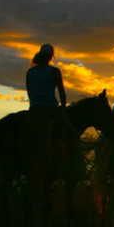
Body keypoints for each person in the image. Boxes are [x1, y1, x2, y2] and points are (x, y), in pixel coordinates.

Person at [26, 43, 87, 180]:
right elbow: (61, 91)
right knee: (73, 134)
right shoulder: (53, 71)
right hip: (50, 108)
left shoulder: (30, 72)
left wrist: (35, 103)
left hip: (34, 109)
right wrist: (63, 109)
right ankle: (78, 170)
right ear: (51, 56)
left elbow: (29, 92)